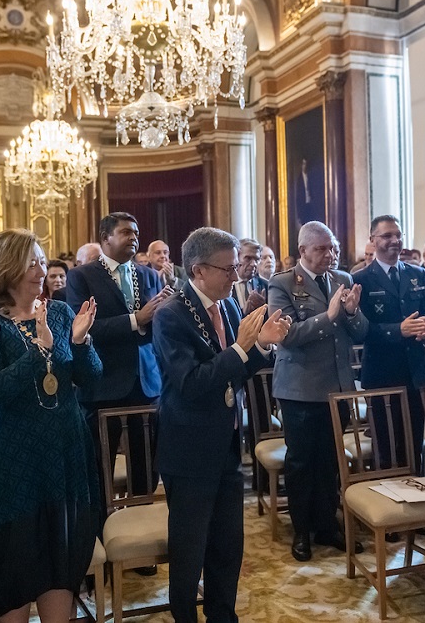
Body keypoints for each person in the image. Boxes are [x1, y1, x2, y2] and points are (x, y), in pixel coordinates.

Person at [0, 228, 102, 622]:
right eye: (31, 262)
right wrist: (39, 352)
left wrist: (78, 342)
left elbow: (90, 377)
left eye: (42, 260)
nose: (41, 270)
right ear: (5, 267)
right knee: (15, 578)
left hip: (63, 454)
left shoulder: (58, 312)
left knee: (61, 567)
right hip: (11, 462)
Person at [152, 227, 290, 623]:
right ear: (198, 271)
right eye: (228, 269)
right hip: (190, 449)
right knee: (189, 552)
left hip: (228, 443)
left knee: (227, 548)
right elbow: (191, 383)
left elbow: (239, 370)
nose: (237, 277)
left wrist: (262, 344)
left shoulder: (226, 306)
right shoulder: (171, 316)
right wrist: (242, 347)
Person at [268, 221, 367, 562]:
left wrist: (352, 313)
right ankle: (301, 530)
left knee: (329, 461)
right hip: (299, 388)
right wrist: (329, 316)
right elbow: (288, 335)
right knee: (301, 462)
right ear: (303, 252)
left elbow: (360, 332)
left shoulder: (343, 279)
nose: (330, 254)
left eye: (333, 248)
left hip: (336, 386)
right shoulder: (281, 283)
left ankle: (327, 524)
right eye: (322, 248)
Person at [66, 213, 175, 506]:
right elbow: (84, 327)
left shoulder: (149, 275)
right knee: (100, 467)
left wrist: (163, 315)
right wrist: (134, 319)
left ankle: (138, 524)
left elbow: (155, 329)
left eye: (136, 232)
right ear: (106, 238)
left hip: (145, 382)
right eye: (126, 232)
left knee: (145, 468)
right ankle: (101, 529)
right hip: (104, 383)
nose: (134, 238)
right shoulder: (81, 276)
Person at [352, 215, 425, 472]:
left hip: (415, 371)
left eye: (398, 235)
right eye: (387, 236)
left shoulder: (417, 273)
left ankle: (417, 501)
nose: (394, 241)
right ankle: (389, 505)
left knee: (412, 445)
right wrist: (397, 330)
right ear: (373, 240)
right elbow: (360, 330)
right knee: (386, 447)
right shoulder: (361, 278)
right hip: (382, 373)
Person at [232, 238, 268, 314]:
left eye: (257, 259)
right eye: (248, 258)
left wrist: (262, 309)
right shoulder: (225, 286)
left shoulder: (266, 286)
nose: (253, 264)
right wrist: (244, 313)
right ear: (237, 257)